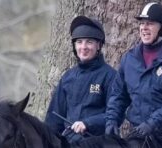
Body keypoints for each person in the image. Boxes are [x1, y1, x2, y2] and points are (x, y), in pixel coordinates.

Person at [105, 2, 162, 148]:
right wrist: (112, 121)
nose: (143, 28)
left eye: (150, 23)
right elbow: (118, 96)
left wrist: (153, 122)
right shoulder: (129, 59)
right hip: (140, 132)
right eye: (142, 23)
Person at [45, 15, 116, 146]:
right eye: (79, 42)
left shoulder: (110, 76)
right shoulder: (68, 77)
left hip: (99, 143)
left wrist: (88, 123)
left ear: (98, 45)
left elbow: (116, 114)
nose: (83, 47)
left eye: (89, 42)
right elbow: (53, 120)